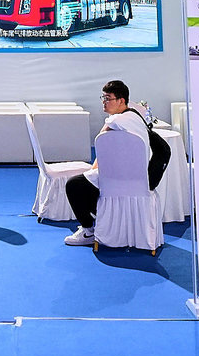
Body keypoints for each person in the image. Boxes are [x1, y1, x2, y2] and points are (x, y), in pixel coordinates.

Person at [62, 79, 150, 246]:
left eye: (108, 98)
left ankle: (88, 230)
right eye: (103, 98)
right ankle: (107, 223)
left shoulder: (117, 121)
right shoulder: (134, 116)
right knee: (87, 180)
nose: (104, 102)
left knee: (74, 185)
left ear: (121, 101)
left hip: (119, 177)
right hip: (137, 177)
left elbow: (101, 140)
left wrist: (92, 171)